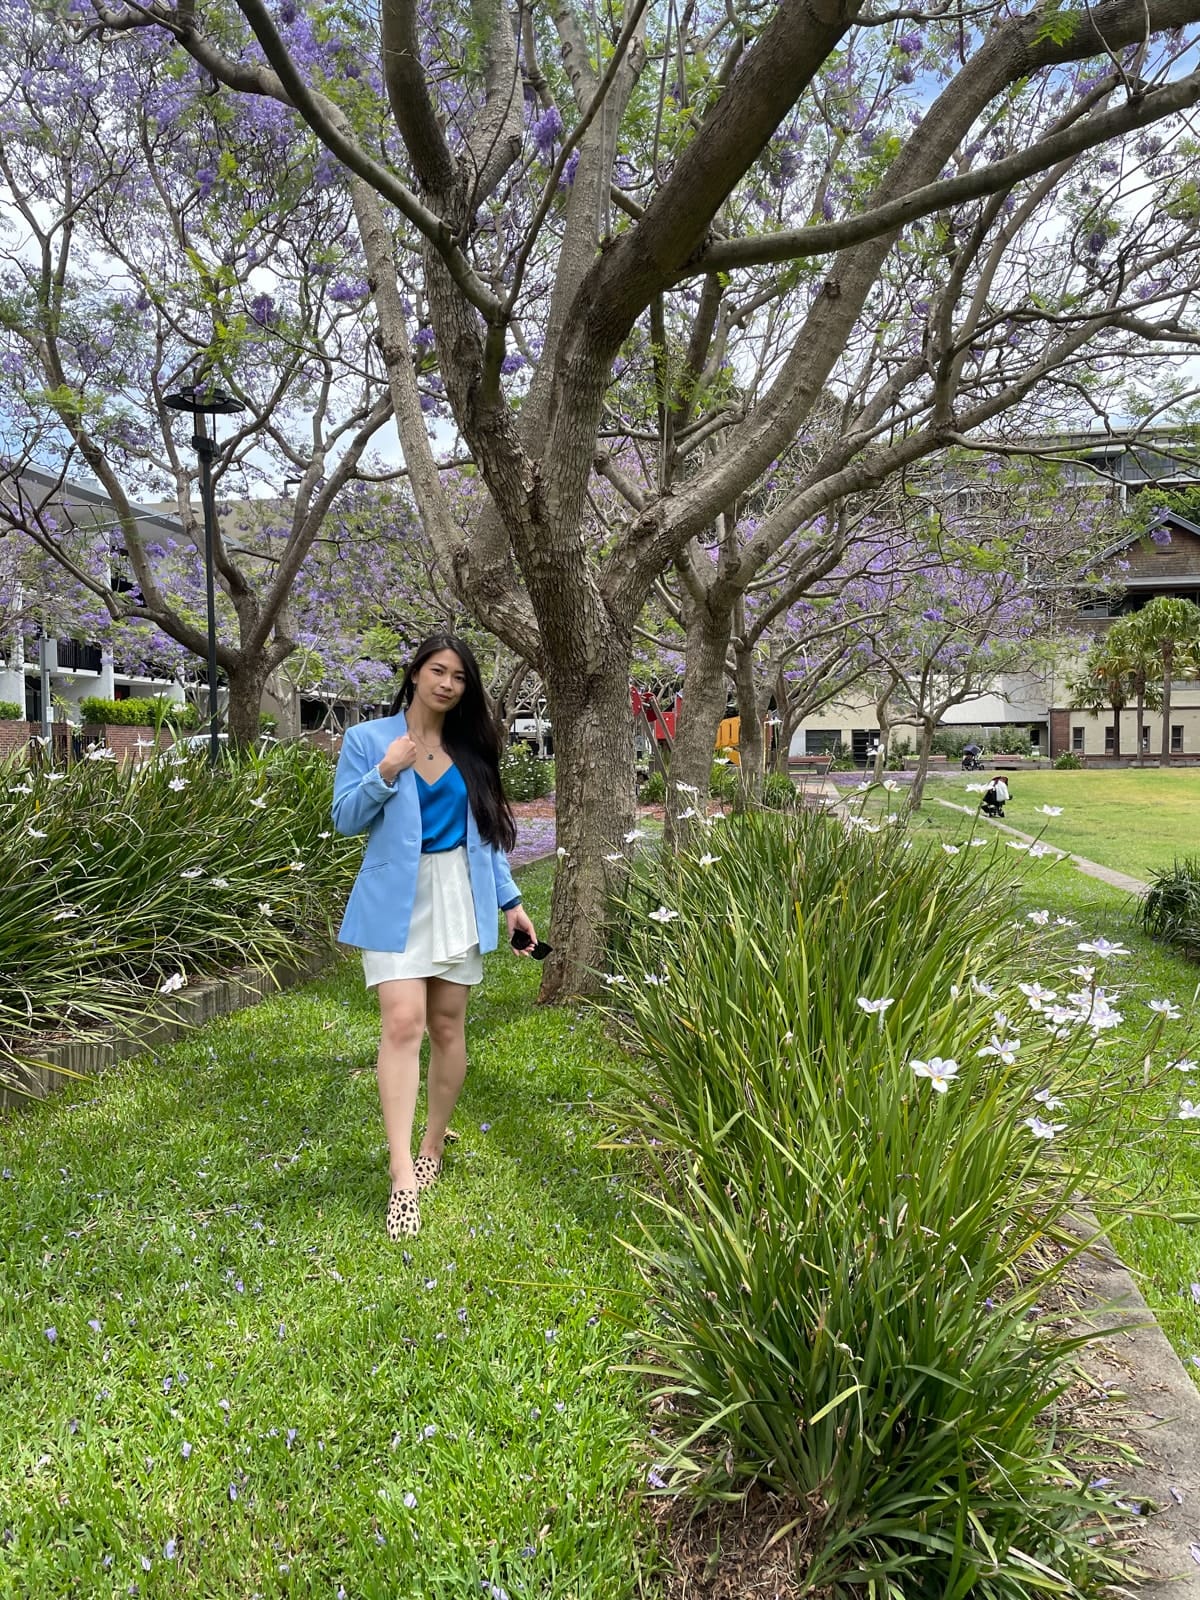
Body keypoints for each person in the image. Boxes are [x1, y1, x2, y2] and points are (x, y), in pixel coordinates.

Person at [332, 634, 538, 1241]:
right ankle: (401, 1179)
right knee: (402, 1024)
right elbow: (344, 818)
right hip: (395, 898)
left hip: (458, 895)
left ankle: (432, 1147)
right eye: (438, 672)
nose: (448, 684)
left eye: (459, 678)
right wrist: (386, 771)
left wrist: (512, 903)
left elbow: (488, 836)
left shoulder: (471, 748)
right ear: (415, 673)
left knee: (448, 1027)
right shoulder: (369, 740)